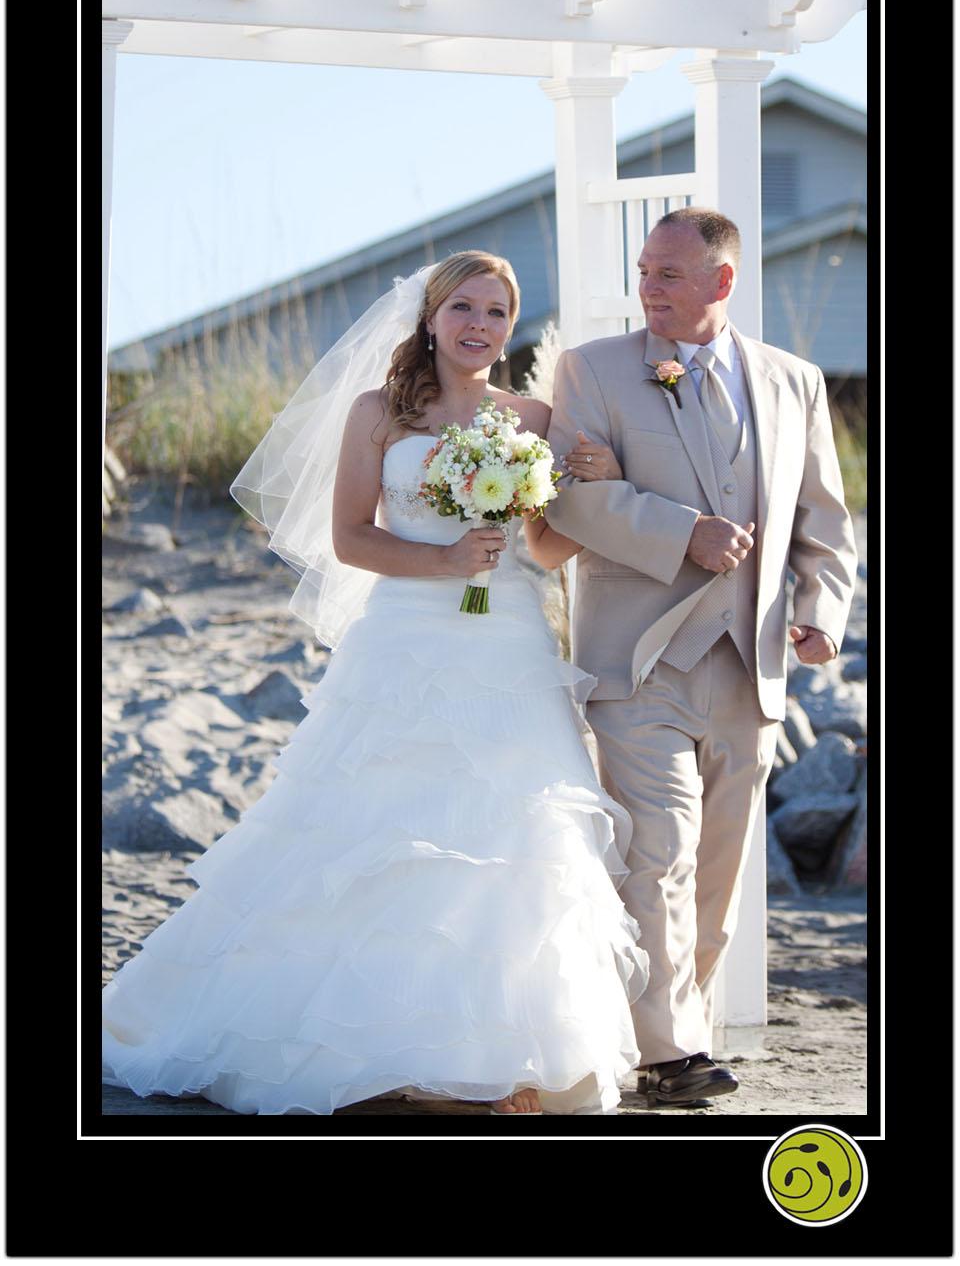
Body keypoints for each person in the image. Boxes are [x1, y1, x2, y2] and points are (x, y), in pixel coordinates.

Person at [101, 250, 649, 1117]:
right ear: (431, 319)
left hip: (506, 641)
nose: (480, 325)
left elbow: (542, 548)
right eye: (463, 307)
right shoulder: (378, 414)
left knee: (516, 831)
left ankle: (503, 1054)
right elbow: (353, 538)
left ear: (510, 326)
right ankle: (374, 1047)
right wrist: (443, 558)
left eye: (497, 312)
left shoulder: (532, 417)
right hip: (404, 639)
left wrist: (594, 493)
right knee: (379, 826)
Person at [544, 209, 859, 1107]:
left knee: (720, 863)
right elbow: (565, 503)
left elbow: (824, 522)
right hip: (637, 661)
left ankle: (691, 1027)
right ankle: (669, 1050)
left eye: (671, 274)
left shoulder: (794, 380)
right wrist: (685, 532)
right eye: (645, 270)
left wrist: (820, 613)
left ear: (723, 282)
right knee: (658, 853)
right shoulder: (591, 369)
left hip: (751, 659)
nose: (650, 287)